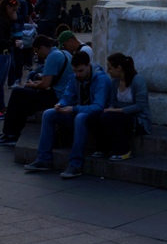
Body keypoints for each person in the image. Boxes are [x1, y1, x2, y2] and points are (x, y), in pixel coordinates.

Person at [23, 50, 110, 179]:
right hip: (76, 110)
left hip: (93, 116)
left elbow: (98, 106)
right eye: (75, 71)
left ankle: (75, 164)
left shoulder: (101, 79)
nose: (77, 74)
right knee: (48, 114)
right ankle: (43, 159)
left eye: (80, 71)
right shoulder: (74, 77)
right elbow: (67, 96)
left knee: (81, 117)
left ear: (88, 66)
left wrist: (73, 109)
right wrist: (61, 104)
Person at [0, 36, 73, 146]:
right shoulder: (63, 53)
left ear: (43, 48)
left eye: (37, 51)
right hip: (63, 95)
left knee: (17, 94)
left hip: (58, 98)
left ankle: (10, 134)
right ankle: (12, 132)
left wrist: (33, 85)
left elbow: (45, 84)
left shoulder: (52, 57)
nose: (37, 55)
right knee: (24, 96)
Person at [90, 53, 151, 160]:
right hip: (119, 115)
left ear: (119, 68)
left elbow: (140, 106)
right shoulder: (114, 83)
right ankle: (104, 148)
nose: (108, 71)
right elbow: (112, 102)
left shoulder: (137, 80)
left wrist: (117, 110)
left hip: (137, 119)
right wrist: (109, 109)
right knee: (95, 116)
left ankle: (124, 150)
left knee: (109, 117)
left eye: (110, 68)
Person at [0, 0, 21, 116]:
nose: (14, 13)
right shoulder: (2, 21)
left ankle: (2, 108)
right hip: (3, 53)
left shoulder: (4, 19)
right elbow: (1, 40)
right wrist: (13, 42)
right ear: (7, 7)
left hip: (4, 53)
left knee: (1, 83)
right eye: (13, 10)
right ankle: (1, 108)